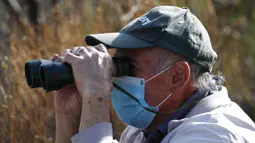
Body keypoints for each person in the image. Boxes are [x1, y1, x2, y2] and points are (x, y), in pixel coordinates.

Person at [53, 6, 255, 143]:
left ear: (177, 76)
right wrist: (67, 117)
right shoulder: (145, 129)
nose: (113, 78)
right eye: (115, 64)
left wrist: (95, 95)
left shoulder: (214, 134)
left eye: (128, 66)